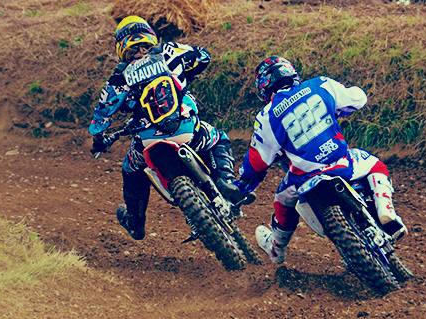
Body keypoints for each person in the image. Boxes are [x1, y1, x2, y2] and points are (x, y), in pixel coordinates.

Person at [236, 56, 408, 264]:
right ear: (291, 71)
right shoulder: (321, 84)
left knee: (281, 202)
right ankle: (385, 210)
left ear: (264, 85)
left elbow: (256, 161)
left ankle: (276, 248)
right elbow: (358, 99)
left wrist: (242, 182)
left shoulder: (266, 116)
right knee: (375, 164)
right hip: (341, 163)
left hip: (304, 178)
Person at [88, 16, 244, 240]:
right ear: (149, 35)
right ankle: (227, 181)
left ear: (121, 45)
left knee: (131, 168)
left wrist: (98, 137)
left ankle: (135, 222)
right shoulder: (168, 51)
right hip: (187, 130)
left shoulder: (119, 75)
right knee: (218, 137)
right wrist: (186, 73)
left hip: (147, 142)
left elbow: (103, 111)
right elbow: (202, 57)